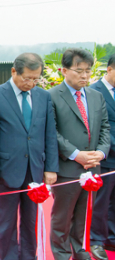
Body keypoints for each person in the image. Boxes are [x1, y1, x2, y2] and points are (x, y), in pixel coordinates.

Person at [0, 53, 59, 260]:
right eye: (27, 78)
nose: (31, 83)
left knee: (31, 222)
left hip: (35, 168)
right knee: (6, 224)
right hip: (5, 170)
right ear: (13, 71)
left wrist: (50, 167)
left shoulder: (43, 96)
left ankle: (29, 256)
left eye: (36, 79)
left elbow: (50, 133)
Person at [49, 48, 110, 260]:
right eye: (79, 71)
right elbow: (51, 132)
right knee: (62, 217)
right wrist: (76, 154)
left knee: (85, 215)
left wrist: (101, 153)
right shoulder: (51, 96)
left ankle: (80, 251)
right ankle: (62, 254)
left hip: (93, 167)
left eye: (88, 71)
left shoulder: (96, 96)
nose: (84, 76)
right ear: (64, 70)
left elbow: (104, 128)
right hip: (67, 167)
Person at [89, 53, 115, 260]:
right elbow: (100, 127)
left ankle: (111, 238)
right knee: (101, 201)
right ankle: (95, 240)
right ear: (109, 69)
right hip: (104, 157)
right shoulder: (93, 91)